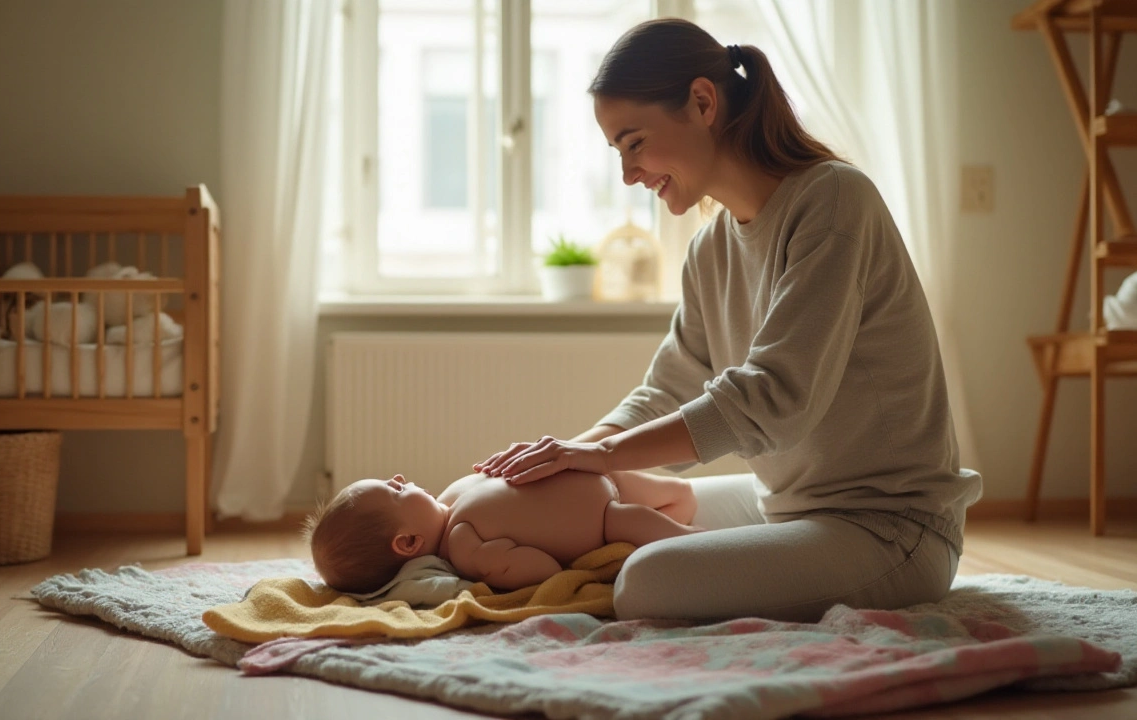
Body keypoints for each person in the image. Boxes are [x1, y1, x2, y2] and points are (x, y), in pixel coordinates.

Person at [474, 18, 982, 623]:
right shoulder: (709, 247)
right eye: (618, 152)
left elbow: (775, 398)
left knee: (646, 581)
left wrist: (604, 455)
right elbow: (667, 390)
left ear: (703, 102)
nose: (628, 175)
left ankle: (729, 568)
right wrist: (556, 459)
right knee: (605, 500)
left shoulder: (834, 201)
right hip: (784, 506)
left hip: (891, 530)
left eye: (634, 143)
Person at [304, 470, 702, 593]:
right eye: (394, 490)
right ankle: (709, 547)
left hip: (599, 475)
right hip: (605, 517)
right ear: (408, 542)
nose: (400, 477)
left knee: (682, 493)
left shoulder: (449, 499)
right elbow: (545, 571)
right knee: (674, 534)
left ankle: (692, 529)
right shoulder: (465, 547)